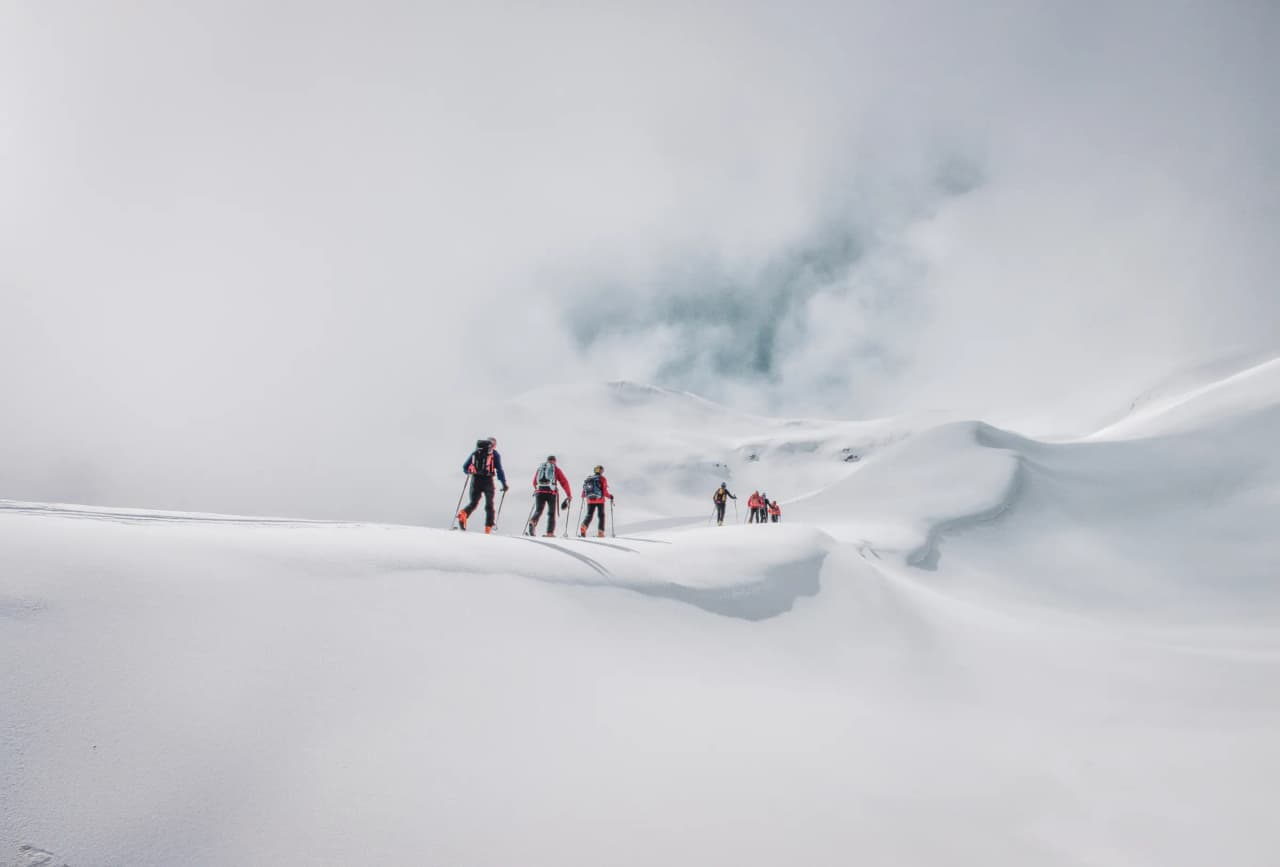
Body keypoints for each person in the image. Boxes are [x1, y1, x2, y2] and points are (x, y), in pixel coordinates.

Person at [457, 436, 508, 534]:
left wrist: (469, 472)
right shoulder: (495, 454)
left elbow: (465, 467)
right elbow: (499, 470)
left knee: (473, 502)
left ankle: (463, 514)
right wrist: (504, 484)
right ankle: (488, 528)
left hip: (475, 479)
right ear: (494, 445)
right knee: (489, 504)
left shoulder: (476, 452)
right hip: (488, 480)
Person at [528, 455, 571, 536]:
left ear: (547, 460)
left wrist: (537, 489)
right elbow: (564, 482)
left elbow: (534, 482)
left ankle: (533, 521)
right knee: (551, 513)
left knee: (538, 510)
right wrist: (569, 494)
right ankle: (549, 533)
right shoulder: (556, 469)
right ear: (554, 461)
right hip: (551, 493)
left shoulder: (540, 468)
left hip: (540, 492)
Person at [578, 465, 614, 537]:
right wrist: (610, 496)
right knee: (601, 516)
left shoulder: (589, 478)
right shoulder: (602, 478)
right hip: (600, 500)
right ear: (601, 471)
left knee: (589, 515)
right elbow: (604, 491)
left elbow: (584, 490)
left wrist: (583, 496)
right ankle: (601, 533)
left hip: (590, 500)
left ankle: (584, 527)